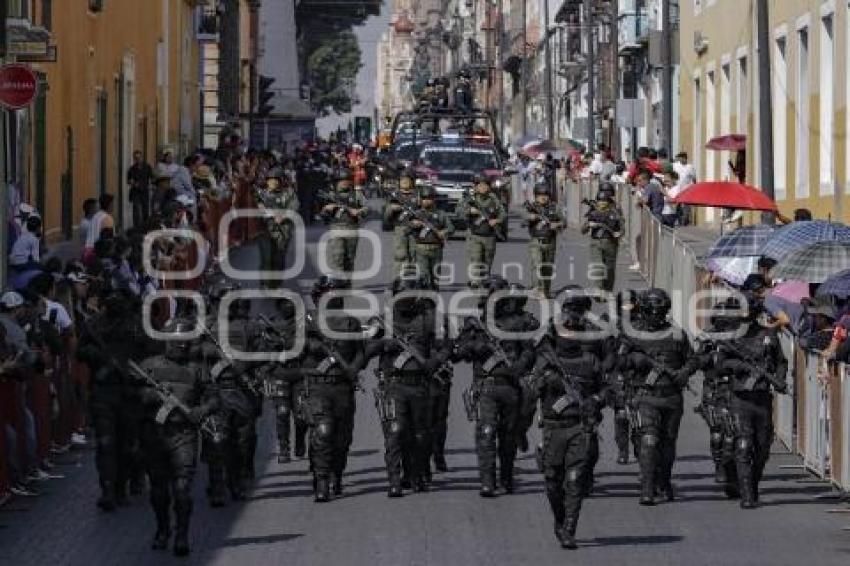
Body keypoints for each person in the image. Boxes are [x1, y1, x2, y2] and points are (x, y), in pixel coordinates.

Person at [525, 292, 609, 549]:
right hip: (553, 427)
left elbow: (608, 388)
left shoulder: (591, 360)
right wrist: (543, 381)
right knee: (553, 481)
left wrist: (595, 400)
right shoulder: (546, 361)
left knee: (574, 480)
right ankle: (560, 520)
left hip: (579, 426)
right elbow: (530, 390)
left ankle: (570, 528)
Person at [138, 317, 217, 556]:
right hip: (155, 434)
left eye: (186, 341)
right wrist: (151, 395)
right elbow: (132, 393)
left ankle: (182, 535)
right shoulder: (149, 365)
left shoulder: (197, 368)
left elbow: (214, 397)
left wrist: (201, 411)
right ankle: (163, 529)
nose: (181, 345)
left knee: (182, 489)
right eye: (177, 341)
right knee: (159, 491)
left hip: (184, 435)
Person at [453, 279, 538, 496]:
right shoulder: (475, 324)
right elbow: (457, 353)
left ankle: (507, 477)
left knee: (508, 436)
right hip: (486, 387)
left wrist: (520, 365)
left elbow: (529, 351)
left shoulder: (517, 323)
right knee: (486, 433)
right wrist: (474, 346)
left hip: (510, 387)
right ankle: (487, 481)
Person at [618, 288, 700, 505]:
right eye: (652, 310)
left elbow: (692, 359)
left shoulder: (676, 333)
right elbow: (617, 362)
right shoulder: (632, 333)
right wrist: (635, 359)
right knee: (649, 440)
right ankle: (647, 488)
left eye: (660, 310)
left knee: (667, 444)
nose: (656, 314)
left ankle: (663, 481)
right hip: (646, 396)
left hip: (672, 396)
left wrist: (683, 373)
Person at [367, 277, 448, 496]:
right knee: (396, 432)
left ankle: (416, 474)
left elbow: (446, 347)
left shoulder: (428, 319)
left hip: (420, 385)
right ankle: (394, 479)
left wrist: (435, 361)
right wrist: (387, 344)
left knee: (420, 436)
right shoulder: (383, 320)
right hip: (394, 384)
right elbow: (365, 349)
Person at [716, 280, 788, 508]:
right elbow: (719, 365)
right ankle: (747, 494)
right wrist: (739, 366)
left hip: (762, 398)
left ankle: (752, 484)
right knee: (743, 445)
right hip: (740, 398)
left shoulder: (768, 336)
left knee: (763, 447)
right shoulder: (730, 338)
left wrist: (779, 378)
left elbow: (781, 362)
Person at [300, 277, 365, 501]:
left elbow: (360, 352)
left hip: (343, 388)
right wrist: (311, 345)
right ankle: (322, 480)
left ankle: (337, 473)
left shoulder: (351, 323)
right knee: (323, 433)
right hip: (318, 386)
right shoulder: (308, 321)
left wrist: (354, 368)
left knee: (341, 439)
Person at [262, 298, 308, 463]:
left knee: (301, 415)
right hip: (280, 373)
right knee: (282, 412)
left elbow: (307, 347)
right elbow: (264, 350)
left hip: (299, 373)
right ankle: (283, 447)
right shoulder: (272, 325)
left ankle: (300, 440)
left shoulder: (304, 325)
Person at [255, 166, 299, 288]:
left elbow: (294, 207)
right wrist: (259, 207)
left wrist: (283, 216)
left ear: (281, 180)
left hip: (283, 232)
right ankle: (265, 282)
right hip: (265, 231)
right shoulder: (261, 194)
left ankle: (275, 283)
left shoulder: (289, 193)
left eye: (276, 179)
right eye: (270, 179)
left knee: (278, 259)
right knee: (266, 258)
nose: (273, 182)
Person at [460, 176, 506, 288]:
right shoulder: (470, 199)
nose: (483, 188)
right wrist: (469, 211)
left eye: (485, 185)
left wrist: (496, 220)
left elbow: (503, 214)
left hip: (489, 235)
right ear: (475, 187)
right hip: (474, 235)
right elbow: (459, 211)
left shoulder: (494, 199)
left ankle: (484, 280)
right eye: (480, 185)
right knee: (476, 258)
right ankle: (476, 281)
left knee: (487, 261)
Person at [321, 170, 369, 275]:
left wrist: (358, 211)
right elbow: (321, 214)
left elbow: (366, 208)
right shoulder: (331, 195)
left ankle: (347, 282)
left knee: (349, 258)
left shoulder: (357, 194)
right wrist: (326, 208)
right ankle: (338, 281)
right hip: (336, 228)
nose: (344, 183)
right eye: (341, 181)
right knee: (337, 256)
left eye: (346, 180)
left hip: (352, 228)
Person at [523, 181, 565, 298]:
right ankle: (537, 288)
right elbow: (523, 217)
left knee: (547, 268)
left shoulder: (554, 207)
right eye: (540, 195)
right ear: (536, 196)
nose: (543, 198)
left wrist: (556, 224)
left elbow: (564, 221)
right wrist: (530, 217)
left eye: (545, 195)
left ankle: (546, 290)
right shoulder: (531, 207)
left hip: (550, 241)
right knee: (537, 265)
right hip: (536, 241)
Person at [581, 183, 623, 294]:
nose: (603, 201)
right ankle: (599, 290)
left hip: (611, 242)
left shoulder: (615, 210)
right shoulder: (594, 210)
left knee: (609, 269)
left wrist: (619, 234)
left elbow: (621, 226)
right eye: (601, 199)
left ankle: (608, 290)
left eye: (606, 198)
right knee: (598, 267)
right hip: (596, 242)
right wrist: (590, 224)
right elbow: (583, 229)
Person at [411, 184, 454, 289]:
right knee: (423, 277)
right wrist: (413, 223)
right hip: (421, 249)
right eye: (424, 199)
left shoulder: (440, 214)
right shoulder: (415, 214)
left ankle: (434, 299)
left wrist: (444, 232)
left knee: (435, 277)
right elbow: (406, 228)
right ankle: (424, 299)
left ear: (434, 199)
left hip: (436, 249)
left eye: (429, 199)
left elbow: (451, 228)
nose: (426, 201)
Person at [383, 169, 418, 277]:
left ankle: (414, 278)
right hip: (400, 228)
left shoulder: (418, 195)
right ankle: (398, 278)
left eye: (407, 180)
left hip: (415, 228)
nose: (405, 182)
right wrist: (391, 208)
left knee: (415, 253)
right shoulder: (394, 195)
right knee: (400, 255)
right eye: (402, 180)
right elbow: (385, 216)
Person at [83, 194, 115, 265]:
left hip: (87, 251)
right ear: (110, 205)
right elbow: (108, 240)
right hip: (99, 254)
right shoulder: (107, 219)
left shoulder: (95, 216)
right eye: (113, 204)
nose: (113, 207)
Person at [128, 150, 154, 228]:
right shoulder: (132, 169)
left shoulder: (147, 167)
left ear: (142, 157)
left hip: (145, 191)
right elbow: (129, 180)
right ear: (134, 159)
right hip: (136, 192)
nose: (137, 159)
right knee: (136, 209)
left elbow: (152, 177)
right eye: (136, 158)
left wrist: (151, 185)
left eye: (139, 158)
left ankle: (145, 226)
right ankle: (136, 227)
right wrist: (132, 182)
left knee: (145, 209)